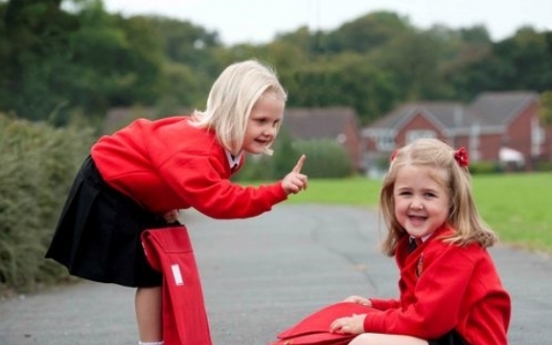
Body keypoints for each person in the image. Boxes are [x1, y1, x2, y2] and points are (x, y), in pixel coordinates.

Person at [45, 59, 308, 345]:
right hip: (108, 183)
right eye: (260, 121)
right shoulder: (198, 148)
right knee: (149, 273)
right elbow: (219, 201)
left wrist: (170, 201)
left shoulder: (232, 152)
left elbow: (187, 182)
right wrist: (278, 189)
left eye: (275, 122)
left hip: (134, 188)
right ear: (233, 114)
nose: (269, 130)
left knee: (157, 270)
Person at [328, 138, 511, 345]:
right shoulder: (418, 243)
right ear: (392, 196)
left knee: (366, 342)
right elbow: (416, 306)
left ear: (452, 200)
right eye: (406, 193)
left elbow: (426, 321)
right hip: (444, 333)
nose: (416, 204)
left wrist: (368, 321)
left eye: (429, 195)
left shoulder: (455, 249)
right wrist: (373, 305)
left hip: (464, 339)